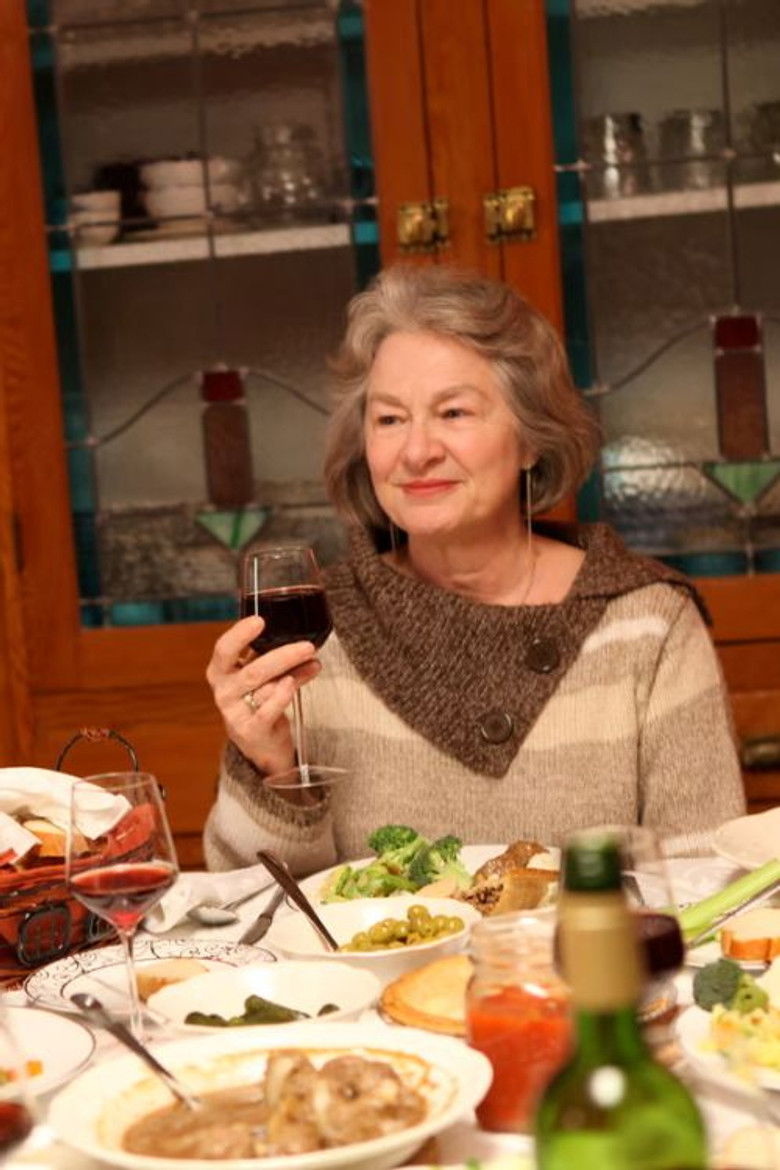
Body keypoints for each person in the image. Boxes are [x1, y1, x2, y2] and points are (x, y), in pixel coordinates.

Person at [204, 265, 745, 874]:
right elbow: (247, 899)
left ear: (531, 439)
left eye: (454, 413)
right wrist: (271, 766)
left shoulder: (647, 623)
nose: (416, 451)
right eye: (389, 419)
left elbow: (707, 883)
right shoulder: (316, 631)